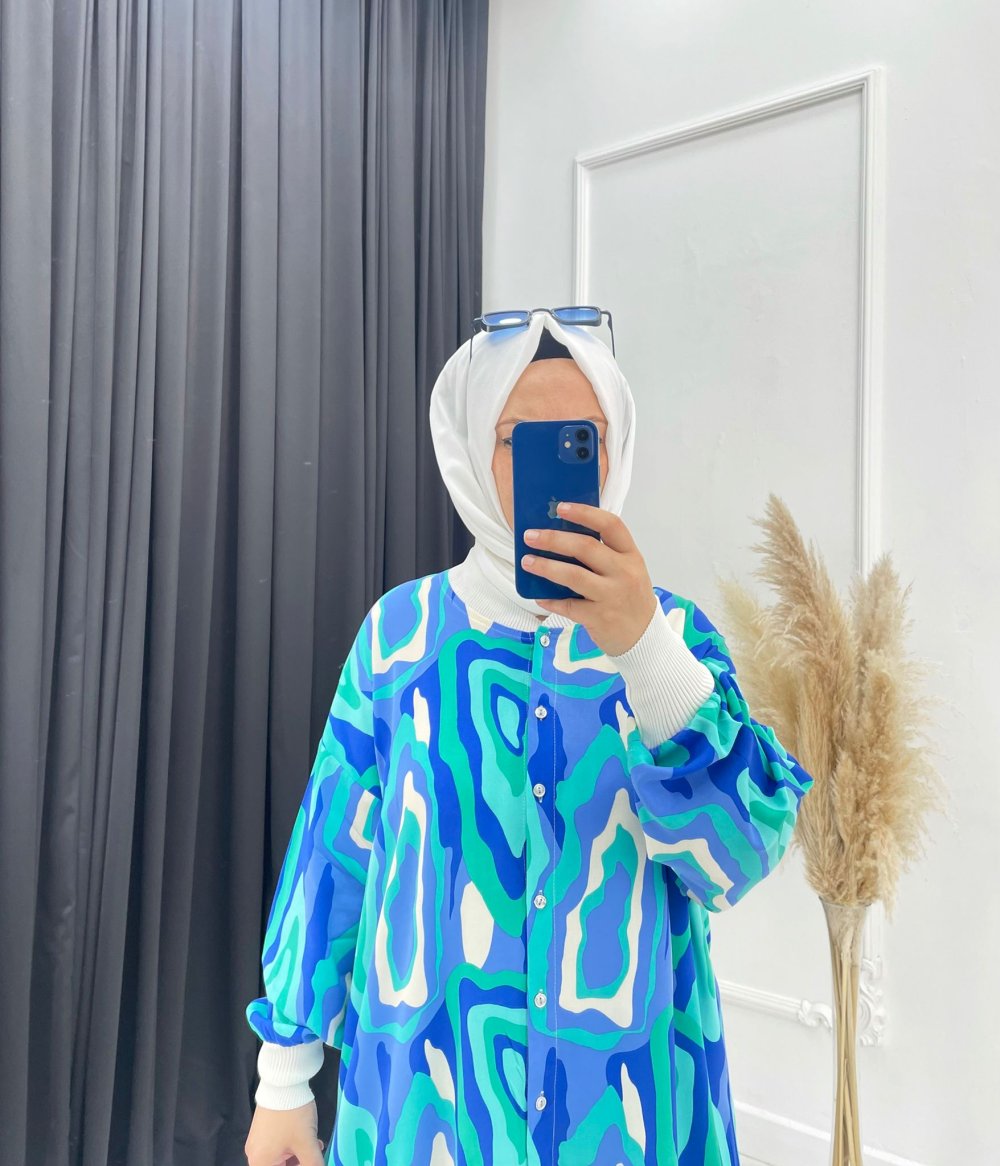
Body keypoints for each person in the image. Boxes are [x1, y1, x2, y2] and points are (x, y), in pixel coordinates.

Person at [243, 310, 815, 1166]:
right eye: (520, 438)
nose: (551, 464)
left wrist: (642, 649)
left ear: (613, 453)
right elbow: (332, 859)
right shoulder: (401, 635)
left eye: (581, 439)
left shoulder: (675, 640)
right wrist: (283, 1082)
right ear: (475, 449)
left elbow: (738, 854)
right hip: (430, 1113)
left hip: (629, 1121)